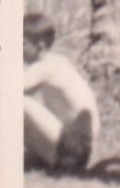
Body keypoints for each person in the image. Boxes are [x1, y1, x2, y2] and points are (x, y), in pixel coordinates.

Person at [23, 13, 99, 171]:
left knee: (20, 103)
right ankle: (38, 158)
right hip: (76, 143)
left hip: (74, 148)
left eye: (22, 44)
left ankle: (58, 161)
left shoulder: (46, 67)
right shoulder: (56, 61)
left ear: (40, 45)